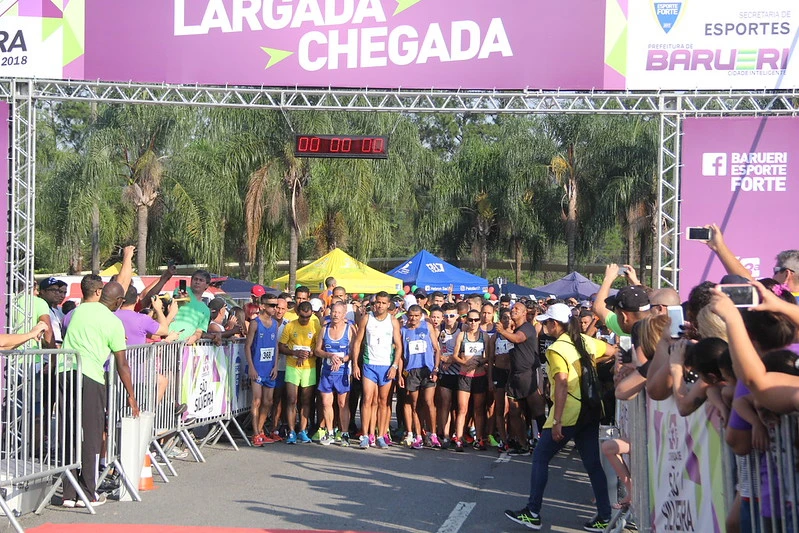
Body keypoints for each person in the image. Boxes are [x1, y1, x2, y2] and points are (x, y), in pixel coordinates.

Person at [505, 303, 611, 532]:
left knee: (541, 458)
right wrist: (590, 363)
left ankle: (532, 512)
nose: (543, 325)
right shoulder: (584, 341)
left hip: (569, 412)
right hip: (591, 410)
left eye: (545, 322)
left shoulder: (556, 349)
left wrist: (558, 421)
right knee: (593, 465)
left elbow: (561, 384)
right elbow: (612, 351)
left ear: (554, 324)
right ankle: (605, 516)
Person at [60, 281, 139, 508]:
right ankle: (88, 493)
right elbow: (122, 364)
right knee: (92, 435)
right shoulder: (114, 322)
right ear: (118, 302)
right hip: (90, 376)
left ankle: (68, 494)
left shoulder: (80, 309)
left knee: (69, 431)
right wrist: (131, 395)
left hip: (65, 371)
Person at [351, 291, 402, 449]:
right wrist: (355, 364)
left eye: (383, 303)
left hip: (386, 366)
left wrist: (394, 366)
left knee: (383, 401)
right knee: (367, 399)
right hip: (369, 364)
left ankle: (380, 435)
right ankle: (365, 435)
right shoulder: (367, 318)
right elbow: (358, 342)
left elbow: (399, 346)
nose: (379, 306)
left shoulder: (393, 321)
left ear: (388, 305)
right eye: (377, 302)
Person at [496, 302, 545, 455]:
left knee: (537, 411)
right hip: (514, 375)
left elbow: (518, 339)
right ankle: (523, 444)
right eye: (513, 308)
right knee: (514, 411)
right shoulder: (514, 328)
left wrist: (502, 331)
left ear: (524, 313)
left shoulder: (527, 328)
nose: (513, 310)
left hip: (528, 374)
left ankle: (546, 444)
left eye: (517, 309)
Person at [278, 300, 320, 444]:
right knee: (291, 399)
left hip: (309, 367)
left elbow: (319, 348)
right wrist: (294, 352)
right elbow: (281, 346)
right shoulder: (290, 325)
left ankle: (302, 429)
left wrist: (310, 353)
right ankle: (291, 431)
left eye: (307, 317)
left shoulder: (315, 325)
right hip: (292, 366)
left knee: (306, 400)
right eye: (302, 317)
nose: (305, 320)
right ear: (297, 313)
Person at [399, 304, 441, 449]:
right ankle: (418, 435)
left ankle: (433, 434)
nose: (414, 319)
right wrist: (400, 373)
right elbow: (400, 354)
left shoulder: (427, 326)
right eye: (411, 316)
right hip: (412, 371)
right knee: (415, 404)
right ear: (407, 315)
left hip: (427, 369)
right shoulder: (403, 330)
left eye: (417, 316)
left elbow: (437, 349)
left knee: (429, 402)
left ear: (421, 316)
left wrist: (435, 369)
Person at [314, 301, 354, 446]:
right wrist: (329, 355)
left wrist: (342, 359)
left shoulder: (350, 329)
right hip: (327, 371)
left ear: (344, 315)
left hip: (343, 371)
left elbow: (354, 352)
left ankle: (344, 434)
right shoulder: (325, 328)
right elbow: (317, 350)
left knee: (342, 403)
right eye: (333, 312)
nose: (335, 315)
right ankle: (330, 432)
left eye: (338, 312)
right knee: (326, 402)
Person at [452, 309, 490, 452]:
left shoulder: (484, 336)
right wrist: (464, 363)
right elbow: (455, 355)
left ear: (480, 321)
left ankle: (479, 438)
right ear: (466, 321)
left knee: (479, 409)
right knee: (462, 409)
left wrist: (479, 362)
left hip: (479, 376)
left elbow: (489, 356)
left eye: (476, 320)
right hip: (464, 376)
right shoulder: (462, 335)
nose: (473, 323)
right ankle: (459, 438)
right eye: (471, 320)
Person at [245, 294, 280, 446]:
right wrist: (251, 367)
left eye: (276, 305)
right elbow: (247, 346)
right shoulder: (255, 323)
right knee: (257, 400)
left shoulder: (274, 324)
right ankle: (255, 433)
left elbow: (276, 345)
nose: (275, 308)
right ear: (263, 306)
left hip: (269, 369)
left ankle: (260, 430)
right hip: (257, 368)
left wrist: (275, 365)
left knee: (268, 401)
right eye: (272, 305)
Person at [168, 270, 219, 344]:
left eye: (201, 280)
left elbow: (199, 330)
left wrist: (195, 337)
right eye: (195, 279)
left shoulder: (206, 310)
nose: (197, 282)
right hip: (168, 339)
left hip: (186, 345)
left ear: (207, 285)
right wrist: (181, 297)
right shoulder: (183, 290)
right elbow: (177, 298)